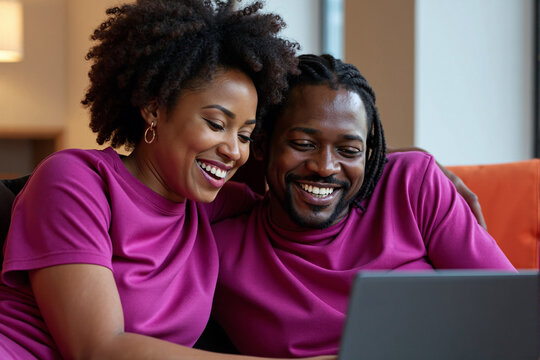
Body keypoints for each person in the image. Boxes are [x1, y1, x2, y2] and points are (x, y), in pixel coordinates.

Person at [0, 1, 334, 359]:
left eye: (245, 135)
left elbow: (323, 187)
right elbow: (98, 348)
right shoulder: (75, 180)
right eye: (217, 124)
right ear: (153, 109)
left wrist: (362, 158)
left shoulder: (210, 207)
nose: (233, 151)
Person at [210, 54, 516, 358]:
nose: (325, 167)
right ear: (262, 145)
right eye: (304, 144)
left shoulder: (411, 185)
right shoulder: (219, 241)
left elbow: (513, 310)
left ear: (368, 155)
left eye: (348, 150)